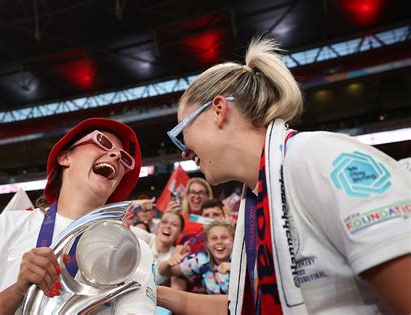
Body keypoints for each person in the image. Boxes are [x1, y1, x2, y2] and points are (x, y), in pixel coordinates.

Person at [160, 36, 411, 314]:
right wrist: (149, 292)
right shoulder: (257, 196)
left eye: (181, 132)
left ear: (218, 110)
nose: (183, 150)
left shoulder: (322, 158)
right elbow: (247, 306)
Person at [0, 118, 157, 314]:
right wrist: (17, 290)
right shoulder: (7, 225)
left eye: (124, 158)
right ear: (65, 157)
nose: (115, 155)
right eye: (102, 142)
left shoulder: (132, 250)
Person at [158, 220, 234, 295]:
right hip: (212, 305)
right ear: (206, 243)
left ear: (233, 240)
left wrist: (234, 268)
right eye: (214, 238)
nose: (219, 242)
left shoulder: (244, 259)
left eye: (224, 237)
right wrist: (168, 263)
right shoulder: (201, 260)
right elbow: (164, 272)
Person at [130, 211, 185, 286]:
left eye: (174, 225)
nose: (168, 226)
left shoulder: (176, 255)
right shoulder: (143, 237)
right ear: (158, 225)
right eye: (164, 222)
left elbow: (177, 289)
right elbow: (120, 226)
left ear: (180, 233)